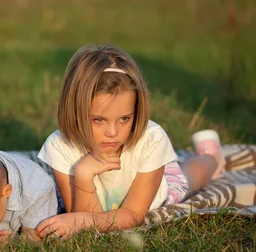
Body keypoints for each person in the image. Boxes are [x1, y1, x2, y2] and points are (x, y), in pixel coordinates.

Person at [35, 45, 225, 238]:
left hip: (149, 188)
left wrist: (83, 219)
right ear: (74, 111)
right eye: (98, 120)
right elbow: (82, 221)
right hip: (104, 190)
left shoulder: (151, 138)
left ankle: (211, 155)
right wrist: (83, 175)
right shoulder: (60, 146)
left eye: (125, 118)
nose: (113, 132)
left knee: (188, 177)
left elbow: (132, 215)